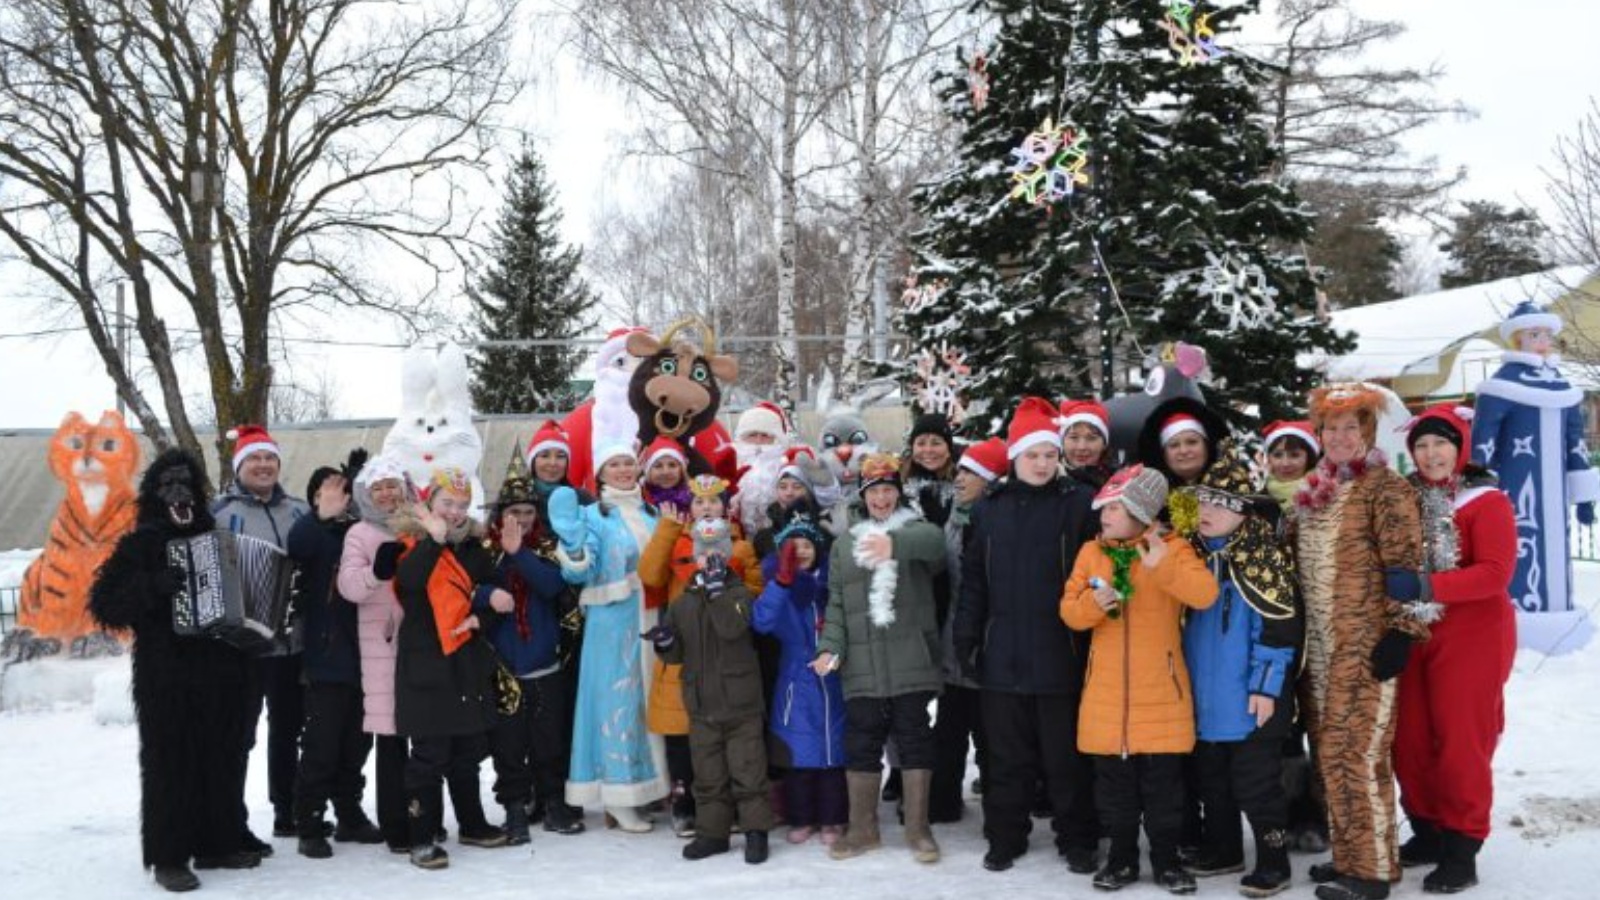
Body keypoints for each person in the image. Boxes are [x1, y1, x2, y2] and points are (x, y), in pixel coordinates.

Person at [89, 450, 261, 892]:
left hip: (220, 671)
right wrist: (152, 585)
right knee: (169, 765)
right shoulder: (139, 545)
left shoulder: (218, 537)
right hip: (165, 675)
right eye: (168, 485)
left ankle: (215, 844)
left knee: (219, 759)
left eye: (186, 483)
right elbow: (104, 606)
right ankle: (168, 857)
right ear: (154, 495)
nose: (179, 492)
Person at [1292, 383, 1430, 900]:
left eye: (1353, 426)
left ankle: (1369, 874)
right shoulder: (1315, 489)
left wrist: (1401, 631)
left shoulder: (1385, 487)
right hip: (1320, 654)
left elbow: (1405, 570)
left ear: (1368, 432)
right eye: (1332, 427)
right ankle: (1354, 856)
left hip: (1365, 645)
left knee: (1358, 755)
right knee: (1332, 757)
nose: (1341, 436)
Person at [953, 399, 1101, 874]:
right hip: (1003, 656)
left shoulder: (1078, 504)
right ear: (1015, 456)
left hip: (1061, 655)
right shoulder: (990, 509)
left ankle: (1077, 838)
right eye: (1032, 454)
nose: (1041, 463)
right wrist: (967, 639)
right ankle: (1005, 836)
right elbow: (974, 581)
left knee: (1065, 759)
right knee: (1004, 759)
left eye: (1048, 454)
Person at [1060, 464, 1218, 895]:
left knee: (1165, 794)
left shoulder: (1173, 548)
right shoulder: (1091, 553)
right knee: (1114, 796)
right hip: (1106, 700)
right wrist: (1093, 603)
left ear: (1140, 512)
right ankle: (1122, 860)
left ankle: (1167, 862)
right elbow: (1070, 613)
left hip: (1162, 696)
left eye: (1114, 508)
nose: (1105, 516)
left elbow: (1204, 594)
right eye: (1104, 508)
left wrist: (1162, 567)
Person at [1395, 403, 1517, 894]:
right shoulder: (1408, 498)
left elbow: (1495, 573)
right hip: (1417, 632)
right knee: (1411, 738)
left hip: (1474, 635)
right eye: (1421, 446)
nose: (1431, 454)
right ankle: (1427, 829)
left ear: (1460, 447)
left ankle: (1462, 846)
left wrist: (1425, 585)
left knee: (1462, 741)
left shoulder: (1486, 502)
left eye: (1440, 444)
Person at [811, 453, 947, 864]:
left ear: (898, 495)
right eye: (875, 492)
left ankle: (918, 829)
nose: (882, 499)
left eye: (889, 490)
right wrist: (830, 650)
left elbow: (936, 548)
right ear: (863, 498)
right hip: (861, 668)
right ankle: (863, 829)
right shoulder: (845, 544)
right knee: (862, 741)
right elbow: (836, 605)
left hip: (911, 661)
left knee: (914, 737)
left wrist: (895, 544)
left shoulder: (916, 530)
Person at [1183, 457, 1302, 897]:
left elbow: (1278, 631)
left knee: (1257, 785)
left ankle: (1274, 859)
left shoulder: (1262, 559)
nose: (1207, 512)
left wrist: (1266, 687)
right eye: (1202, 502)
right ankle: (1223, 848)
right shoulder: (1191, 555)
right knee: (1211, 781)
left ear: (1244, 510)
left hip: (1252, 700)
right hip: (1205, 699)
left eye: (1221, 504)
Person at [385, 467, 513, 869]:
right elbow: (408, 582)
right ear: (429, 503)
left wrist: (482, 619)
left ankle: (472, 824)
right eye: (447, 503)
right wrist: (434, 539)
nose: (455, 512)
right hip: (426, 664)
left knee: (467, 751)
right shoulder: (407, 543)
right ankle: (422, 837)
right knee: (428, 756)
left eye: (461, 505)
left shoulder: (475, 548)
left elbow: (492, 596)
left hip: (465, 661)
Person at [546, 442, 671, 831]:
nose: (622, 470)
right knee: (617, 701)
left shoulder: (652, 513)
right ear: (600, 473)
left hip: (653, 617)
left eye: (628, 463)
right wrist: (571, 542)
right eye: (613, 464)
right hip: (613, 621)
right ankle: (618, 796)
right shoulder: (592, 516)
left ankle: (646, 787)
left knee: (648, 702)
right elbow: (578, 574)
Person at [1470, 301, 1600, 654]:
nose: (1542, 341)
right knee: (1515, 554)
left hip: (1555, 499)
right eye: (1534, 334)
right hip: (1512, 494)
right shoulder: (1500, 387)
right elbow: (1482, 444)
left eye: (1546, 334)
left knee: (1557, 559)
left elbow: (1576, 444)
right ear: (1517, 339)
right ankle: (1511, 622)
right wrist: (1476, 489)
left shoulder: (1563, 387)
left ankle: (1556, 618)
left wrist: (1585, 495)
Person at [639, 473, 765, 837]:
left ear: (726, 507)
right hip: (688, 649)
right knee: (683, 733)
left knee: (732, 739)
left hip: (728, 650)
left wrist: (729, 586)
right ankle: (687, 803)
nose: (707, 507)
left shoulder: (740, 547)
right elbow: (650, 575)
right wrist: (666, 529)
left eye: (714, 501)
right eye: (699, 501)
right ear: (688, 506)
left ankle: (736, 807)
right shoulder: (677, 543)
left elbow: (756, 593)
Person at [479, 452, 586, 842]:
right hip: (504, 667)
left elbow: (553, 586)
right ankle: (514, 807)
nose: (520, 519)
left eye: (526, 511)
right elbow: (471, 592)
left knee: (549, 740)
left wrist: (518, 553)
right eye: (513, 512)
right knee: (508, 744)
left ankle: (553, 802)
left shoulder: (546, 548)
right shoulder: (483, 552)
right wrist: (490, 591)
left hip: (545, 662)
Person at [212, 424, 309, 850]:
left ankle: (287, 810)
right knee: (238, 734)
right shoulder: (217, 512)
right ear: (239, 467)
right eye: (254, 458)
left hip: (292, 641)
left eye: (269, 458)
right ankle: (230, 818)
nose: (264, 465)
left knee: (289, 727)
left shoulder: (299, 511)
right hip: (241, 646)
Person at [284, 450, 385, 859]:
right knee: (322, 745)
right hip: (327, 657)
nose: (342, 499)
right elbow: (297, 545)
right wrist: (321, 516)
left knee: (357, 744)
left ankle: (349, 813)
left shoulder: (360, 532)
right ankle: (308, 821)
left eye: (346, 491)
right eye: (332, 492)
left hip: (368, 655)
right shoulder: (316, 534)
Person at [752, 511, 846, 846]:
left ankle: (834, 819)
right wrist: (782, 582)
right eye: (794, 545)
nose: (802, 550)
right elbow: (761, 622)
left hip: (834, 680)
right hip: (795, 682)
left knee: (835, 755)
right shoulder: (779, 589)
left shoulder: (833, 585)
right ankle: (802, 817)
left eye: (807, 544)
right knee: (800, 757)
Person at [337, 452, 414, 853]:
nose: (386, 494)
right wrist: (375, 573)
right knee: (391, 739)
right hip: (383, 646)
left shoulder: (419, 523)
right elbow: (349, 586)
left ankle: (425, 816)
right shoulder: (360, 534)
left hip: (422, 643)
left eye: (392, 485)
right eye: (378, 487)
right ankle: (397, 825)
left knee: (429, 738)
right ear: (367, 493)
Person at [929, 436, 1007, 824]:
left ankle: (999, 808)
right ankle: (943, 802)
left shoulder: (995, 519)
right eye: (959, 470)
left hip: (985, 643)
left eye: (970, 472)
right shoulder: (954, 514)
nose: (959, 478)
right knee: (948, 729)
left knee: (990, 734)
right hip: (951, 640)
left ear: (990, 480)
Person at [1261, 421, 1319, 516]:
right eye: (1277, 455)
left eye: (1294, 455)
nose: (1285, 463)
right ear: (1267, 458)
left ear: (1309, 458)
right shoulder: (1254, 494)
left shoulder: (1327, 494)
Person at [1060, 399, 1115, 489]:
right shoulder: (1046, 481)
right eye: (1074, 437)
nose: (1082, 447)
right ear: (1062, 441)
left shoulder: (1119, 481)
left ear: (1104, 444)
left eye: (1091, 438)